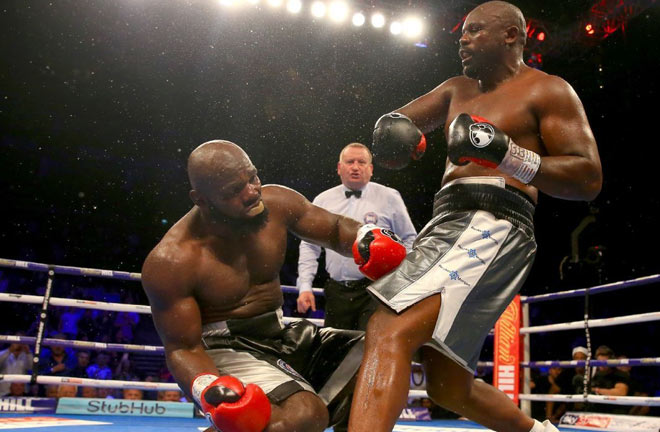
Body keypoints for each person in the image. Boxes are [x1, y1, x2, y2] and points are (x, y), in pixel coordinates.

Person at [347, 2, 602, 432]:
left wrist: (506, 154)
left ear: (511, 36)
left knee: (389, 329)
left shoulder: (547, 90)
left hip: (494, 220)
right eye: (463, 32)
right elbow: (395, 126)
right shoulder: (455, 89)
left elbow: (588, 177)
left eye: (475, 30)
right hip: (446, 221)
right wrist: (394, 139)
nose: (462, 39)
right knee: (448, 385)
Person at [141, 140, 405, 432]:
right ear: (201, 200)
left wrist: (366, 236)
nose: (252, 191)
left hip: (280, 335)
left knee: (384, 354)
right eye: (233, 190)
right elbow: (182, 348)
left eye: (252, 177)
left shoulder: (276, 203)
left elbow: (333, 229)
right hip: (227, 346)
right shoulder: (173, 261)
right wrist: (208, 388)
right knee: (306, 413)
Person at [296, 142, 417, 331]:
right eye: (350, 161)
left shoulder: (389, 197)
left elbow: (409, 240)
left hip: (375, 289)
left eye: (361, 162)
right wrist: (305, 285)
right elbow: (309, 246)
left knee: (366, 346)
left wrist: (398, 280)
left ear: (370, 169)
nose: (355, 167)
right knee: (335, 352)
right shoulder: (322, 200)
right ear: (339, 168)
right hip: (336, 291)